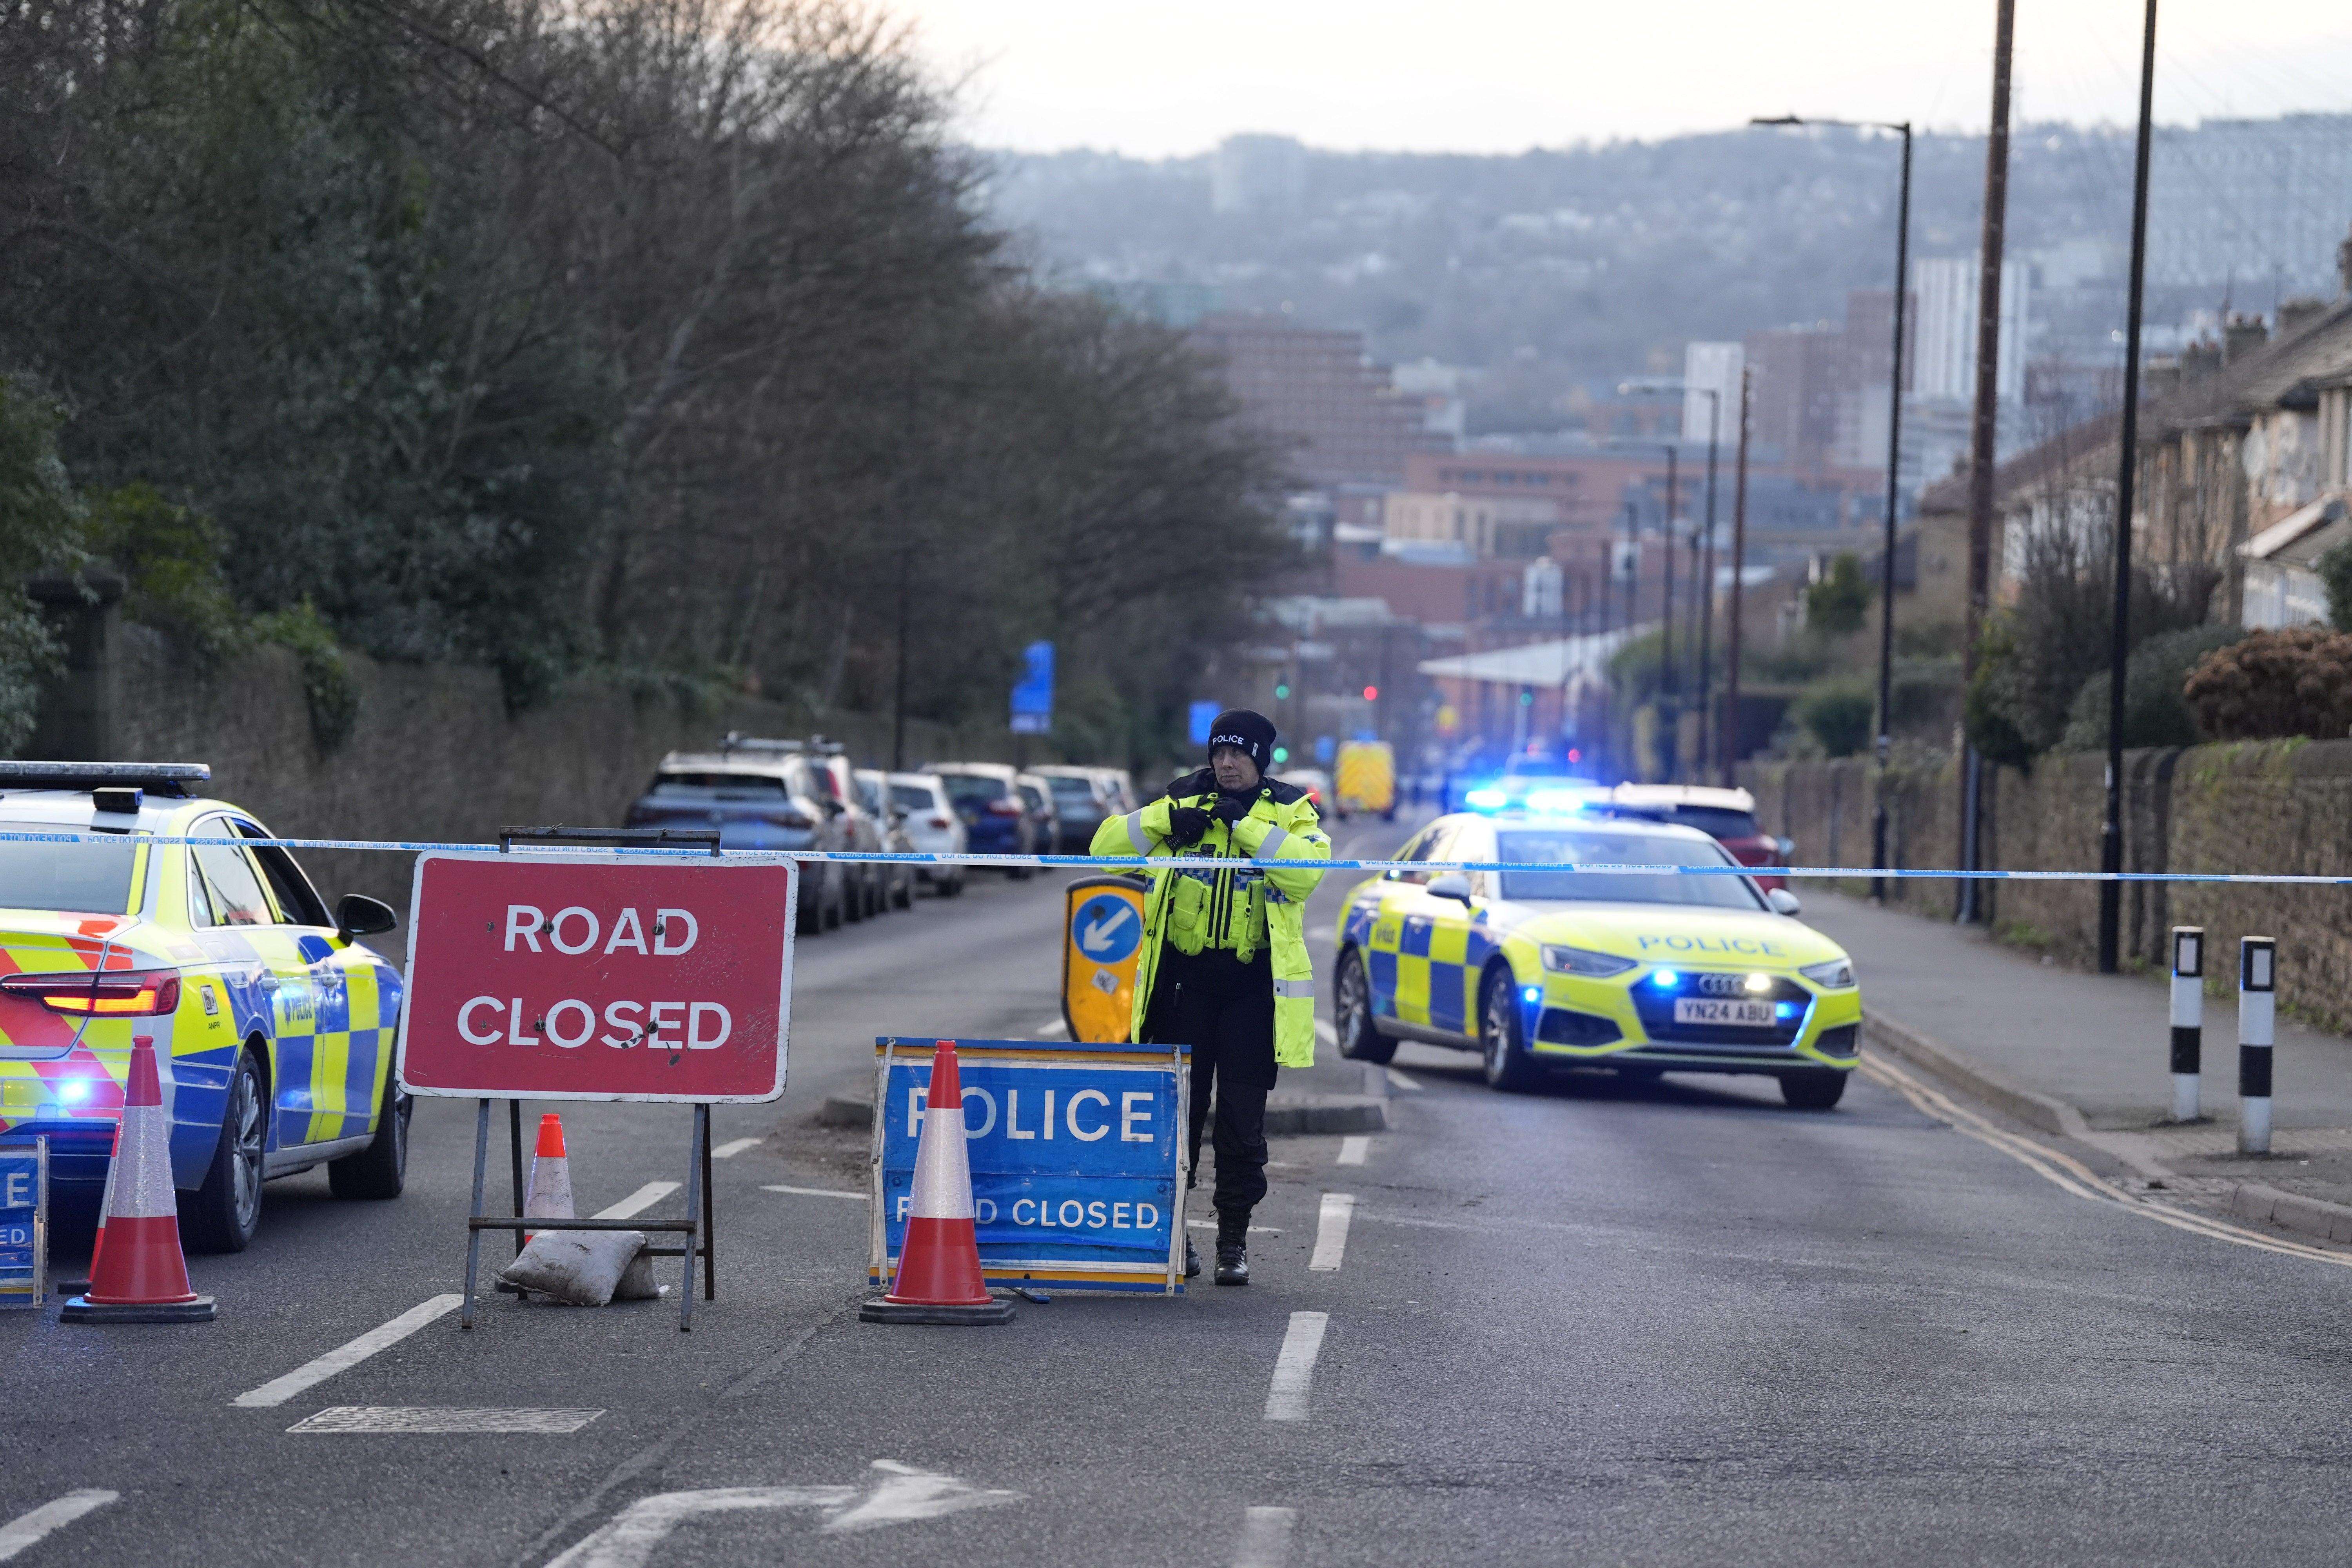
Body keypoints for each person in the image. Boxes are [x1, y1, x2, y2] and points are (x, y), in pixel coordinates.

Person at [1091, 710, 1329, 1285]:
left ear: (1260, 760)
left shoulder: (1293, 811)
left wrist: (1242, 827)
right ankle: (1176, 1238)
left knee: (1241, 1128)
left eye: (1239, 755)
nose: (1225, 764)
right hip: (1185, 990)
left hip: (1252, 996)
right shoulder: (1181, 803)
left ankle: (1232, 1242)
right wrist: (1165, 819)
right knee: (1177, 1122)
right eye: (1219, 753)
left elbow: (1304, 875)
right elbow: (1104, 850)